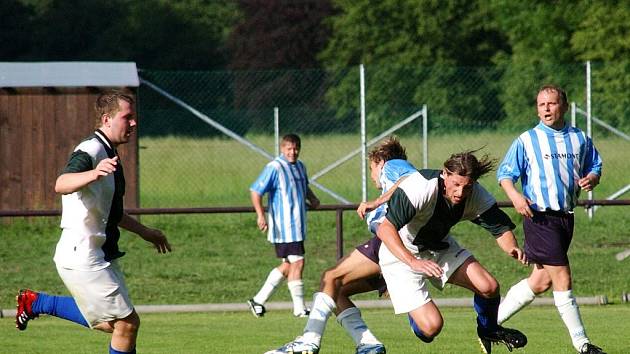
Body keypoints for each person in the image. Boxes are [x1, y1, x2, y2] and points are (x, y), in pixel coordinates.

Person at [15, 90, 172, 354]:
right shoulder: (91, 149)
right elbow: (61, 184)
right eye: (128, 117)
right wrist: (92, 173)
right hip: (82, 255)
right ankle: (37, 303)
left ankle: (35, 302)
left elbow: (112, 212)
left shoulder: (110, 153)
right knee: (127, 324)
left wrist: (145, 232)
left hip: (98, 253)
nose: (134, 123)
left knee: (117, 325)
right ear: (107, 118)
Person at [265, 136, 416, 354]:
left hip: (391, 244)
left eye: (372, 168)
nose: (372, 175)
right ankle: (369, 343)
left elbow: (411, 177)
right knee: (336, 291)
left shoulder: (392, 166)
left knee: (330, 277)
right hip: (400, 249)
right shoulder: (397, 186)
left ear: (380, 163)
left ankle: (309, 340)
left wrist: (377, 202)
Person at [376, 150, 529, 354]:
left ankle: (489, 330)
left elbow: (499, 227)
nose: (460, 192)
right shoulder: (419, 186)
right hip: (402, 254)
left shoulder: (474, 194)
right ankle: (408, 305)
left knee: (489, 286)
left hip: (439, 247)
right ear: (445, 174)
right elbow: (385, 229)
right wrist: (413, 262)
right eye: (456, 184)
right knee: (431, 328)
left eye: (466, 187)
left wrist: (513, 248)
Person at [496, 85, 605, 354]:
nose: (546, 108)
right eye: (541, 104)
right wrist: (517, 197)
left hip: (565, 219)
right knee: (562, 277)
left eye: (552, 103)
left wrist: (592, 178)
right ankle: (583, 344)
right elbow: (505, 174)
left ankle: (490, 322)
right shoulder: (527, 140)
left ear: (564, 107)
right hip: (539, 218)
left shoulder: (580, 138)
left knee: (540, 281)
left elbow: (595, 166)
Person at [248, 134, 320, 318]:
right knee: (298, 262)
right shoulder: (275, 167)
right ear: (282, 149)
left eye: (295, 148)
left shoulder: (300, 167)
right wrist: (260, 215)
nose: (292, 152)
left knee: (288, 266)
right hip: (284, 227)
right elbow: (256, 191)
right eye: (289, 148)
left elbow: (304, 186)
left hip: (298, 226)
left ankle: (258, 300)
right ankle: (299, 308)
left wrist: (312, 198)